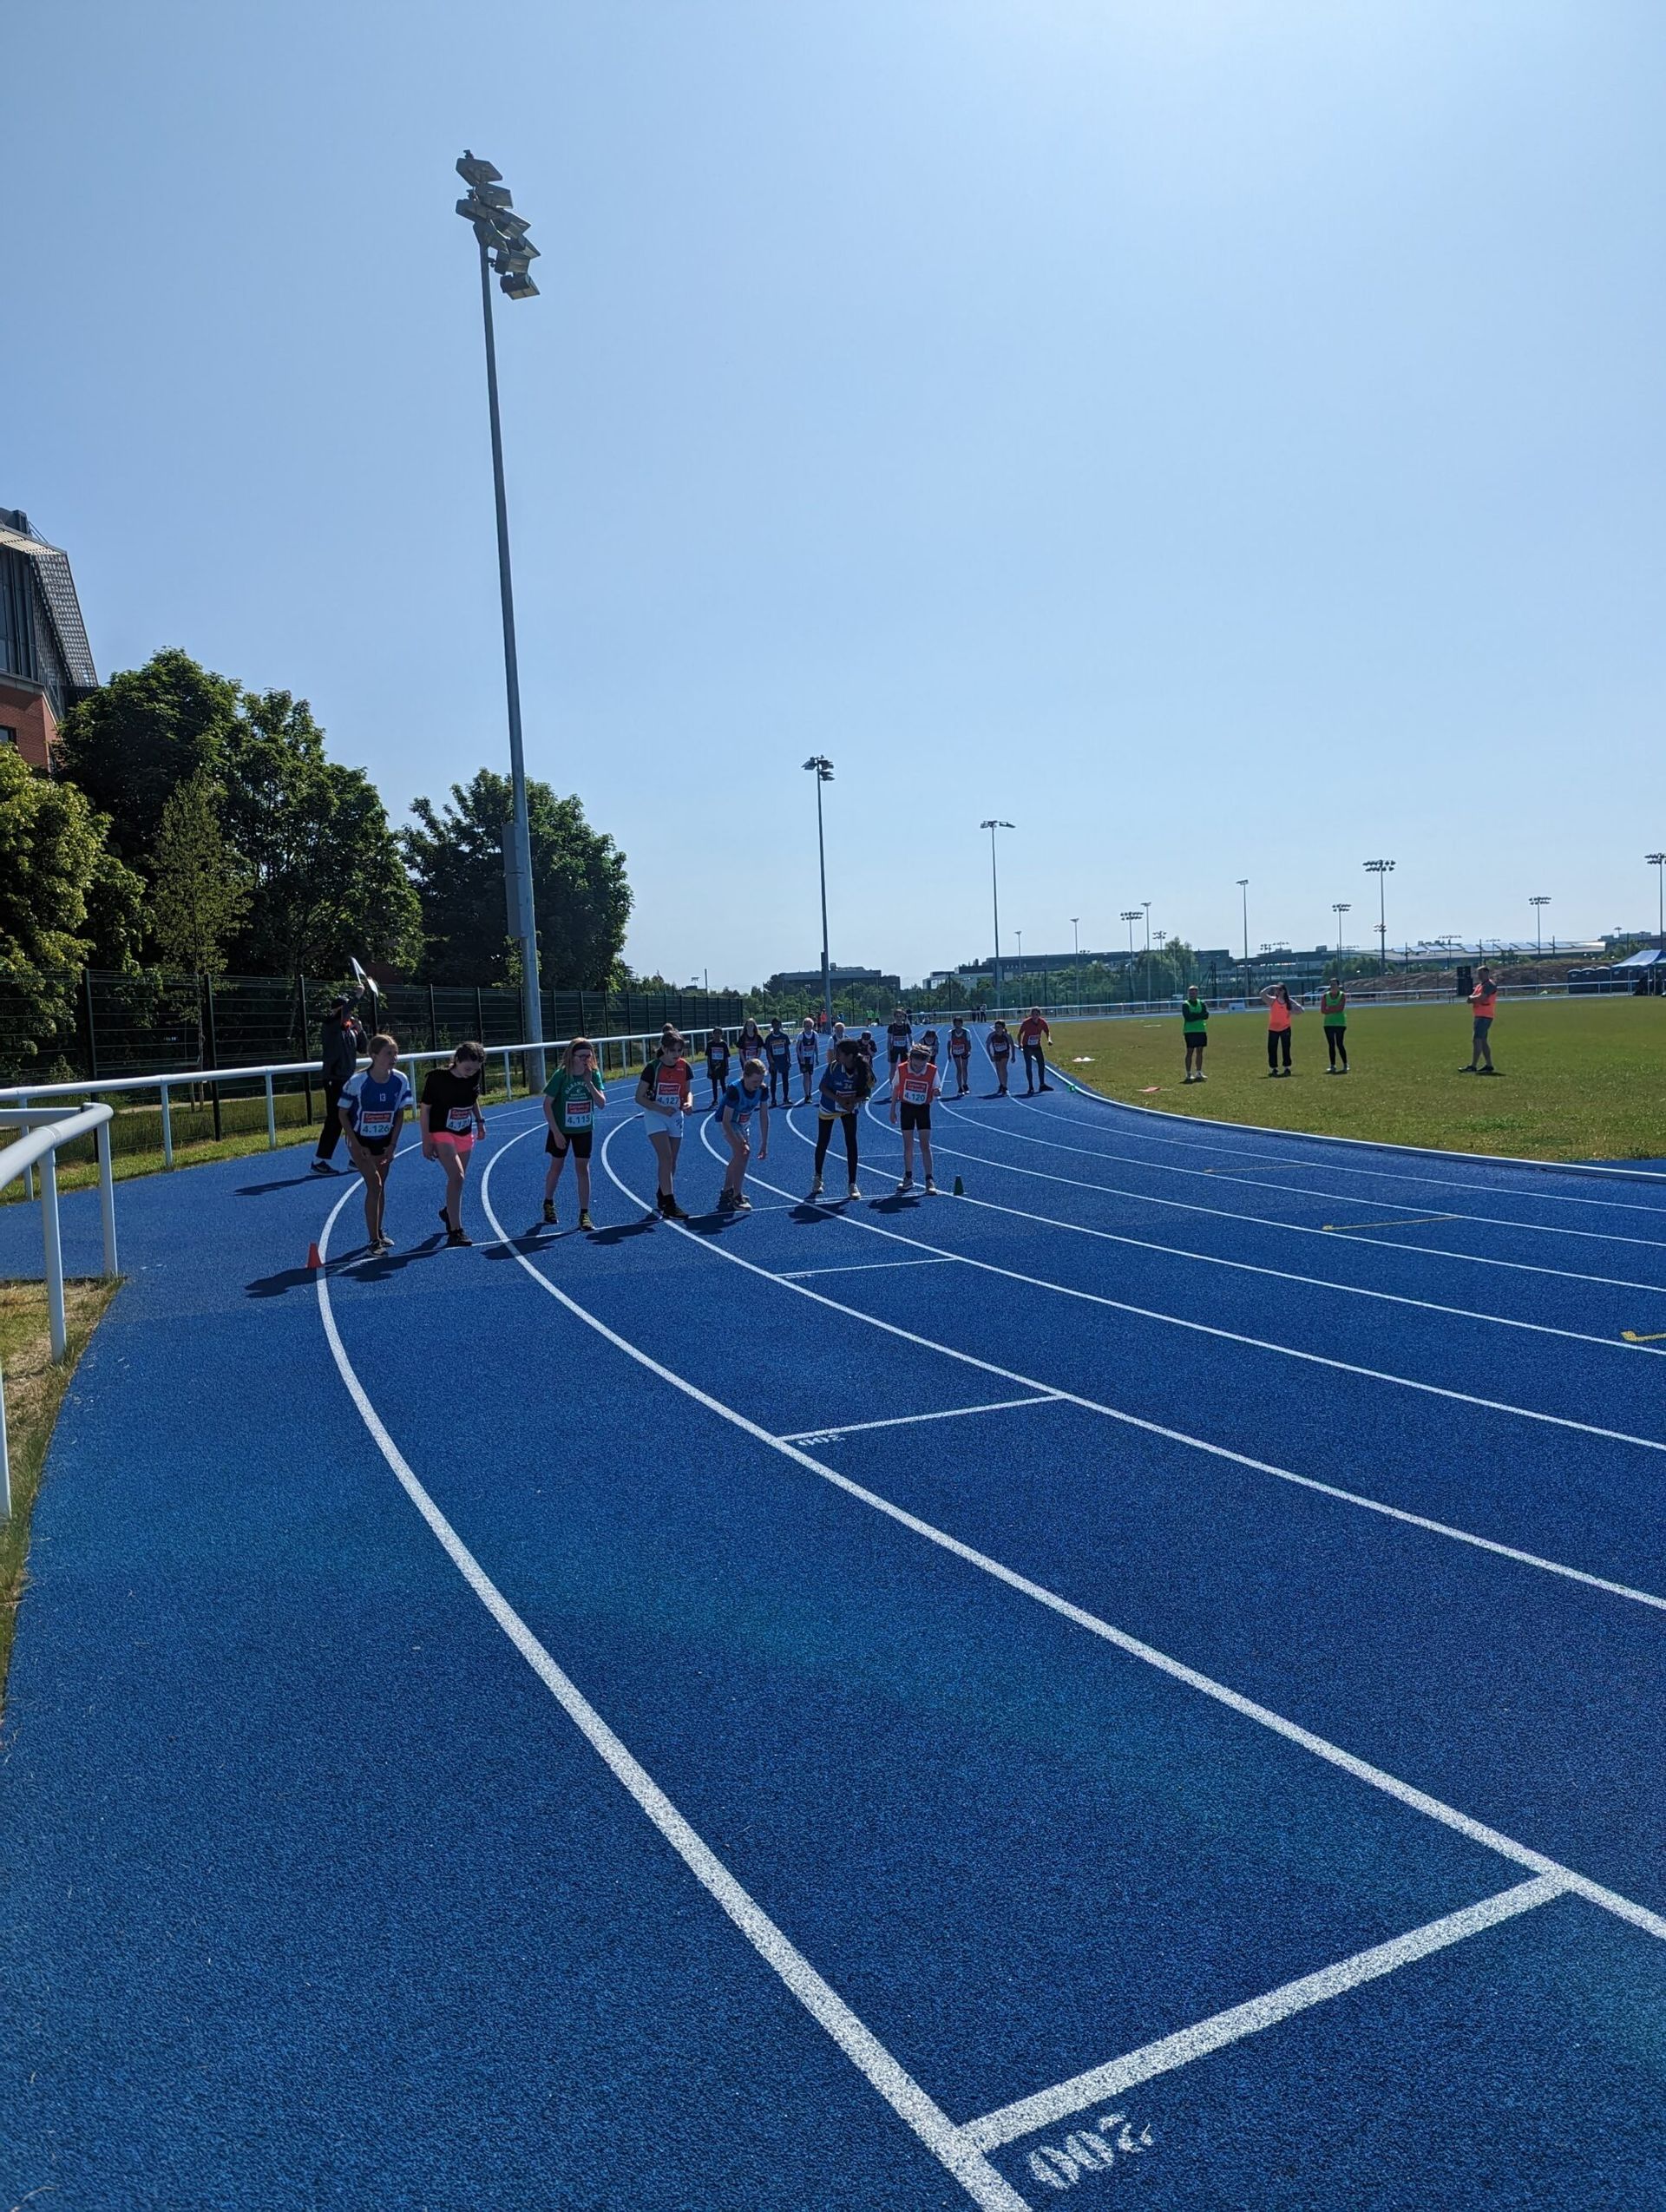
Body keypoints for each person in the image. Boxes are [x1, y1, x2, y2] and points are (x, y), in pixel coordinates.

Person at [338, 1033, 412, 1252]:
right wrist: (355, 1143)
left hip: (384, 1141)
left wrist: (393, 1145)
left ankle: (378, 1231)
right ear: (373, 1055)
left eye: (396, 1053)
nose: (394, 1058)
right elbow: (342, 1114)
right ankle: (373, 1241)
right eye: (388, 1053)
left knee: (381, 1187)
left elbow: (400, 1114)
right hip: (360, 1141)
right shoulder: (357, 1082)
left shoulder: (400, 1080)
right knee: (375, 1184)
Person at [420, 1040, 488, 1248]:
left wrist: (480, 1121)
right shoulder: (437, 1078)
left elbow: (472, 1097)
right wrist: (426, 1140)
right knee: (457, 1177)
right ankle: (456, 1231)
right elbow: (425, 1110)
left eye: (475, 1069)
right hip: (441, 1130)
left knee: (458, 1180)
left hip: (464, 1131)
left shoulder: (474, 1074)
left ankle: (448, 1211)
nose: (471, 1073)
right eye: (467, 1068)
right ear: (457, 1060)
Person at [542, 1036, 607, 1229]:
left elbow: (601, 1103)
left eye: (588, 1056)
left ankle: (584, 1214)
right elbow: (547, 1105)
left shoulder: (593, 1074)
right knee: (557, 1167)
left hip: (584, 1129)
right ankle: (548, 1202)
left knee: (583, 1169)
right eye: (581, 1056)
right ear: (572, 1056)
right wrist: (556, 1132)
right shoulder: (561, 1075)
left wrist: (589, 1083)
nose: (585, 1060)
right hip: (561, 1129)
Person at [636, 1025, 694, 1218]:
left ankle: (662, 1194)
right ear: (664, 1049)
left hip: (675, 1116)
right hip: (656, 1115)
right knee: (666, 1157)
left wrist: (688, 1103)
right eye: (672, 1051)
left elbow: (687, 1091)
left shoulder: (685, 1067)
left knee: (672, 1161)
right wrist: (661, 1108)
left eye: (680, 1050)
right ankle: (670, 1203)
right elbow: (639, 1097)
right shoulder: (652, 1068)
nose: (677, 1054)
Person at [808, 1036, 870, 1201]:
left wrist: (854, 1101)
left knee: (851, 1142)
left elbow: (867, 1092)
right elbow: (822, 1087)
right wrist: (840, 1100)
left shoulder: (863, 1068)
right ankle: (818, 1177)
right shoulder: (834, 1067)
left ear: (850, 1056)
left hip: (849, 1108)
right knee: (823, 1141)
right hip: (829, 1106)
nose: (836, 1055)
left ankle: (852, 1184)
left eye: (839, 1053)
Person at [312, 992, 366, 1172]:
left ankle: (355, 1158)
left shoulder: (350, 1030)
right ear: (337, 1011)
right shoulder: (330, 1025)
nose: (350, 1014)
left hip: (348, 1080)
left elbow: (364, 1048)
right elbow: (343, 1013)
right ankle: (319, 1161)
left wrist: (360, 1030)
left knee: (353, 1118)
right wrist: (358, 996)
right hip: (334, 1080)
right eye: (346, 1010)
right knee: (335, 1120)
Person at [715, 1056, 771, 1211]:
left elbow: (764, 1116)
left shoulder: (762, 1090)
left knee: (740, 1155)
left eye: (760, 1081)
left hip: (743, 1123)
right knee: (743, 1153)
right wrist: (737, 1144)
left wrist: (764, 1143)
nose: (757, 1085)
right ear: (745, 1076)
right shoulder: (734, 1090)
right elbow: (726, 1121)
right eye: (754, 1081)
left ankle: (727, 1190)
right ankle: (737, 1196)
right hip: (728, 1122)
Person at [889, 1037, 940, 1195]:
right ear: (910, 1059)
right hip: (906, 1108)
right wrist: (892, 1109)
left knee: (925, 1144)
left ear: (927, 1061)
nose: (918, 1069)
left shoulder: (932, 1070)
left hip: (923, 1109)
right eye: (915, 1065)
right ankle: (908, 1177)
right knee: (908, 1145)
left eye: (922, 1066)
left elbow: (936, 1087)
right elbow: (896, 1089)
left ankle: (929, 1180)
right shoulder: (902, 1069)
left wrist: (937, 1091)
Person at [1463, 965, 1499, 1073]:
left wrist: (1472, 998)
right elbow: (1472, 998)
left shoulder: (1489, 985)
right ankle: (1489, 1065)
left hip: (1484, 1016)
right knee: (1483, 1041)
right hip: (1480, 1015)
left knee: (1477, 1040)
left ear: (1487, 973)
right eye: (1478, 974)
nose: (1479, 976)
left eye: (1481, 974)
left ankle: (1473, 1066)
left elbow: (1481, 998)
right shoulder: (1480, 985)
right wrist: (1473, 998)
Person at [1262, 983, 1301, 1075]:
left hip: (1285, 1028)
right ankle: (1274, 1068)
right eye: (1277, 990)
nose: (1278, 991)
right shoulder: (1272, 1001)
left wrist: (1292, 1011)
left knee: (1286, 1048)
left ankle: (1287, 1068)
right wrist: (1271, 986)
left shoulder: (1288, 1002)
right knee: (1272, 1049)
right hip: (1273, 1029)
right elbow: (1262, 994)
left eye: (1280, 990)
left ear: (1284, 991)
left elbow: (1301, 1009)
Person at [1017, 1007, 1053, 1093]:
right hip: (1027, 1046)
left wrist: (1049, 1040)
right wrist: (1020, 1043)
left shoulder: (1042, 1022)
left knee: (1041, 1065)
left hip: (1037, 1046)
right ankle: (1031, 1086)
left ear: (1039, 1015)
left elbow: (1047, 1031)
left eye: (1036, 1014)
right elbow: (1020, 1033)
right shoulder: (1026, 1023)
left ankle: (1042, 1085)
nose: (1034, 1016)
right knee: (1029, 1066)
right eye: (1033, 1014)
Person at [1320, 978, 1349, 1073]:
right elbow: (1323, 1010)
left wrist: (1329, 1008)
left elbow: (1340, 1009)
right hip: (1328, 1024)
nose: (1333, 986)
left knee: (1340, 1044)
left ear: (1338, 985)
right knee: (1331, 1045)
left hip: (1340, 1024)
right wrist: (1335, 1008)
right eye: (1331, 984)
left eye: (1334, 984)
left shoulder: (1342, 995)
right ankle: (1332, 1065)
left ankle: (1345, 1064)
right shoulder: (1325, 996)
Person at [764, 1017, 794, 1106]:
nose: (777, 1026)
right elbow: (768, 1051)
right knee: (773, 1080)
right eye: (775, 1025)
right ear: (772, 1026)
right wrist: (771, 1062)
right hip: (774, 1062)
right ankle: (773, 1100)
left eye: (778, 1025)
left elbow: (787, 1049)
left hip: (783, 1061)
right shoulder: (769, 1038)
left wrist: (789, 1060)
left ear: (780, 1025)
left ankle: (785, 1098)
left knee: (785, 1080)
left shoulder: (784, 1037)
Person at [1181, 986, 1209, 1081]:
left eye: (1194, 992)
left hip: (1201, 1030)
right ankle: (1188, 1073)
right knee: (1190, 1051)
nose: (1193, 994)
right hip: (1190, 1031)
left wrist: (1195, 1015)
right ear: (1188, 993)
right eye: (1191, 993)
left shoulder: (1202, 1003)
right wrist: (1200, 1015)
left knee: (1200, 1051)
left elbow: (1206, 1015)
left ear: (1197, 993)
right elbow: (1188, 1017)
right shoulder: (1185, 1004)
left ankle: (1199, 1072)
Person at [704, 1028, 731, 1108]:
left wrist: (727, 1067)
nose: (717, 1035)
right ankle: (715, 1100)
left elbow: (726, 1057)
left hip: (722, 1066)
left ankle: (725, 1099)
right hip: (713, 1067)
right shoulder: (710, 1044)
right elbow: (708, 1057)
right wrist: (709, 1068)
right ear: (713, 1034)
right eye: (716, 1034)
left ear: (721, 1035)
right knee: (714, 1084)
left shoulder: (723, 1044)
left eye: (719, 1034)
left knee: (723, 1084)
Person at [796, 1018, 820, 1102]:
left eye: (810, 1026)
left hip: (811, 1058)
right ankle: (806, 1095)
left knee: (809, 1076)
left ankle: (809, 1093)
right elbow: (797, 1048)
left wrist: (817, 1057)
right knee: (805, 1075)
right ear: (804, 1026)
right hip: (803, 1058)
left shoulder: (815, 1034)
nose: (808, 1028)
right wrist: (800, 1057)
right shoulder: (801, 1035)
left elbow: (816, 1047)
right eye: (807, 1026)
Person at [987, 1017, 1014, 1093]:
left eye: (999, 1027)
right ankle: (1001, 1084)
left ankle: (1005, 1086)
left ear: (1003, 1028)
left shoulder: (1007, 1035)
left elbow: (1012, 1045)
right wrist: (990, 1055)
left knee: (1003, 1067)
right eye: (996, 1027)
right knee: (998, 1068)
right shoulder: (991, 1035)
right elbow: (987, 1045)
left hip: (1005, 1053)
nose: (997, 1029)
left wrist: (1013, 1056)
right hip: (997, 1053)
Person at [885, 1007, 913, 1079]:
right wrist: (888, 1054)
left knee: (904, 1068)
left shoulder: (906, 1026)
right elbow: (889, 1041)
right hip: (894, 1050)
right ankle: (892, 1084)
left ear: (903, 1017)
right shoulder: (891, 1027)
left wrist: (913, 1047)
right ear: (894, 1017)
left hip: (904, 1049)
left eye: (900, 1016)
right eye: (897, 1016)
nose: (899, 1018)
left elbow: (910, 1038)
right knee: (893, 1069)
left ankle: (903, 1082)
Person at [948, 1017, 973, 1096]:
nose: (957, 1025)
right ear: (954, 1024)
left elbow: (969, 1043)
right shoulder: (950, 1033)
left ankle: (965, 1085)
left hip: (964, 1051)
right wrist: (949, 1054)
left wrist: (969, 1051)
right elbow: (949, 1044)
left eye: (959, 1024)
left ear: (962, 1024)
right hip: (955, 1052)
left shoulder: (966, 1032)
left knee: (964, 1068)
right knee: (959, 1069)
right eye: (956, 1024)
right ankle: (960, 1087)